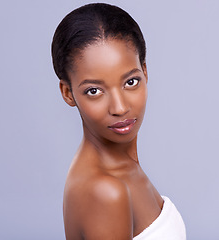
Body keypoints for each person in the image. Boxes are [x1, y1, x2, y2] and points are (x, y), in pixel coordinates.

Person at [51, 3, 186, 240]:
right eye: (94, 91)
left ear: (145, 72)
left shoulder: (121, 166)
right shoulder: (105, 191)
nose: (120, 107)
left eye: (130, 82)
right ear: (68, 93)